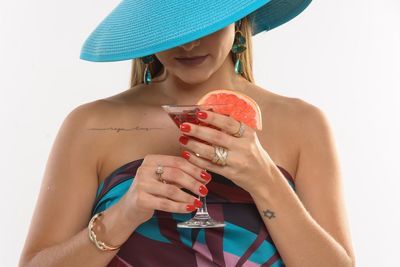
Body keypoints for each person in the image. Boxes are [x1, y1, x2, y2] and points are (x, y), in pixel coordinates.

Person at [19, 0, 356, 266]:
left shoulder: (304, 124)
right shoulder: (91, 124)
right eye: (171, 24)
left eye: (205, 20)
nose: (191, 42)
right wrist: (125, 213)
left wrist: (264, 179)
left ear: (237, 19)